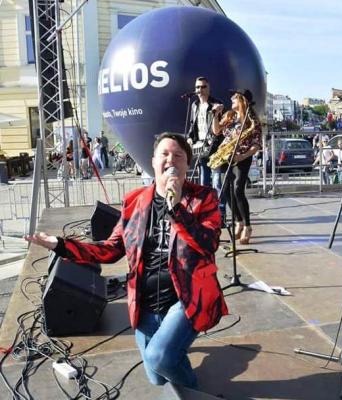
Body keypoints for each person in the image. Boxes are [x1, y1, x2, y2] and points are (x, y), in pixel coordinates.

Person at [25, 132, 228, 389]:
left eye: (179, 156)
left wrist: (177, 208)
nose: (171, 160)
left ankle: (194, 391)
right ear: (152, 161)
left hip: (187, 298)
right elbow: (111, 250)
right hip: (146, 302)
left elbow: (208, 245)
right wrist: (62, 246)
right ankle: (171, 348)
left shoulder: (204, 198)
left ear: (188, 165)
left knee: (159, 358)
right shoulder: (135, 202)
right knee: (157, 376)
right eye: (164, 154)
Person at [212, 89, 261, 244]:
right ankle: (238, 221)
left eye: (234, 98)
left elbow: (256, 146)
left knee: (238, 190)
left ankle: (247, 226)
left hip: (242, 157)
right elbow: (216, 130)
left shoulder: (252, 121)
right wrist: (215, 115)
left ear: (242, 101)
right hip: (226, 157)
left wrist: (241, 156)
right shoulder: (230, 116)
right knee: (226, 192)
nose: (231, 99)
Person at [187, 77, 223, 187]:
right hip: (201, 145)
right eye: (198, 87)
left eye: (203, 86)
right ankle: (206, 203)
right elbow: (193, 124)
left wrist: (218, 110)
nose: (200, 89)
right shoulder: (195, 105)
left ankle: (220, 204)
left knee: (216, 179)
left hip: (214, 144)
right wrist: (190, 137)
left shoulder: (215, 104)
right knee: (203, 179)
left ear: (208, 88)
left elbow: (220, 127)